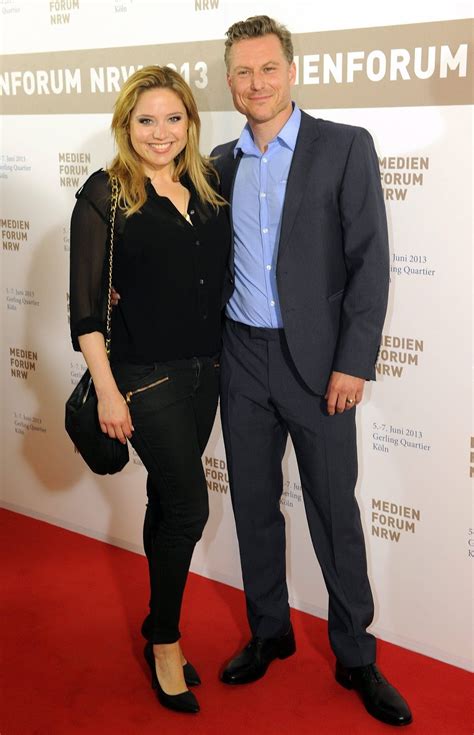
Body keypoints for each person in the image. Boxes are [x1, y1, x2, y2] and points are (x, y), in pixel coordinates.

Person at [211, 16, 412, 727]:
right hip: (242, 359)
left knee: (334, 511)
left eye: (268, 68)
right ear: (229, 80)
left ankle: (357, 654)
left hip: (320, 367)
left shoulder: (345, 147)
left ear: (291, 71)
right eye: (243, 71)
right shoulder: (218, 163)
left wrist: (353, 362)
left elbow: (370, 262)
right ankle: (269, 631)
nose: (256, 82)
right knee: (253, 505)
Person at [69, 65, 229, 714]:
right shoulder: (105, 193)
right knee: (189, 509)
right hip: (144, 378)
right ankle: (164, 639)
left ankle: (158, 621)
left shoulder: (209, 184)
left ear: (190, 121)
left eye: (173, 118)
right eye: (146, 120)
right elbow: (85, 310)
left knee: (167, 500)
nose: (160, 132)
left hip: (207, 373)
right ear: (125, 125)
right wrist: (108, 392)